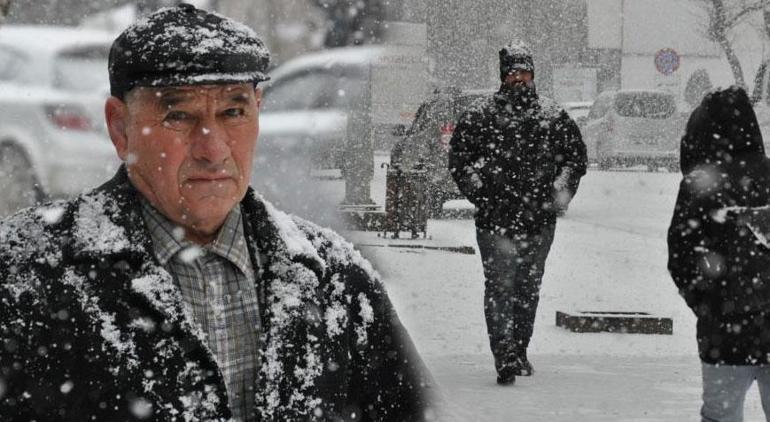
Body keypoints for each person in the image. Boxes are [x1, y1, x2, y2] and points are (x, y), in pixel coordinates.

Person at [0, 4, 432, 421]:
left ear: (258, 113)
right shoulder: (24, 273)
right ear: (120, 127)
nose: (213, 149)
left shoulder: (335, 278)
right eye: (179, 114)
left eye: (233, 112)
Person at [447, 41, 587, 385]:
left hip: (538, 222)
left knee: (527, 288)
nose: (519, 79)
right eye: (513, 73)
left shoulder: (553, 116)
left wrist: (558, 193)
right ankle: (504, 353)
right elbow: (460, 161)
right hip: (495, 222)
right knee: (499, 286)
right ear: (503, 76)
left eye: (524, 72)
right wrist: (481, 192)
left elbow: (576, 160)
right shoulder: (480, 116)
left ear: (534, 75)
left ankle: (519, 349)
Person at [668, 86, 770, 422]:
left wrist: (707, 304)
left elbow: (681, 255)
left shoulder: (699, 184)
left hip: (723, 336)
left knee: (720, 416)